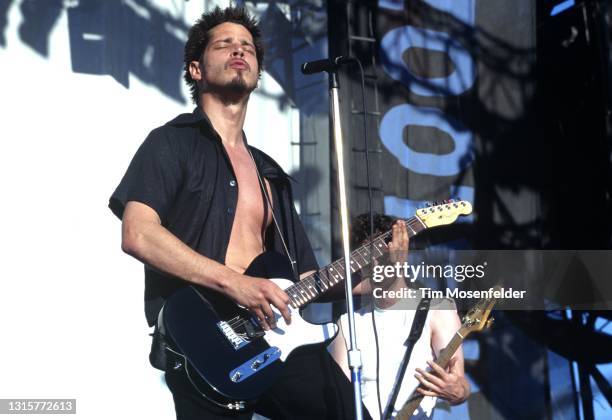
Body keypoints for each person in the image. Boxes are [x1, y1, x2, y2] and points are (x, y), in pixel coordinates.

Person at [109, 6, 362, 420]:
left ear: (258, 73)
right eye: (224, 44)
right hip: (202, 341)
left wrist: (376, 270)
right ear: (196, 69)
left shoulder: (269, 174)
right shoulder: (170, 143)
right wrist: (235, 284)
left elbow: (302, 277)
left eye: (247, 47)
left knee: (344, 411)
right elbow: (138, 233)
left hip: (277, 337)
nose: (239, 51)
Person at [328, 214, 471, 419]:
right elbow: (341, 400)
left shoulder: (438, 309)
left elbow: (459, 382)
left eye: (382, 253)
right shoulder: (348, 323)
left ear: (401, 251)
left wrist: (458, 391)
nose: (375, 264)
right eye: (366, 258)